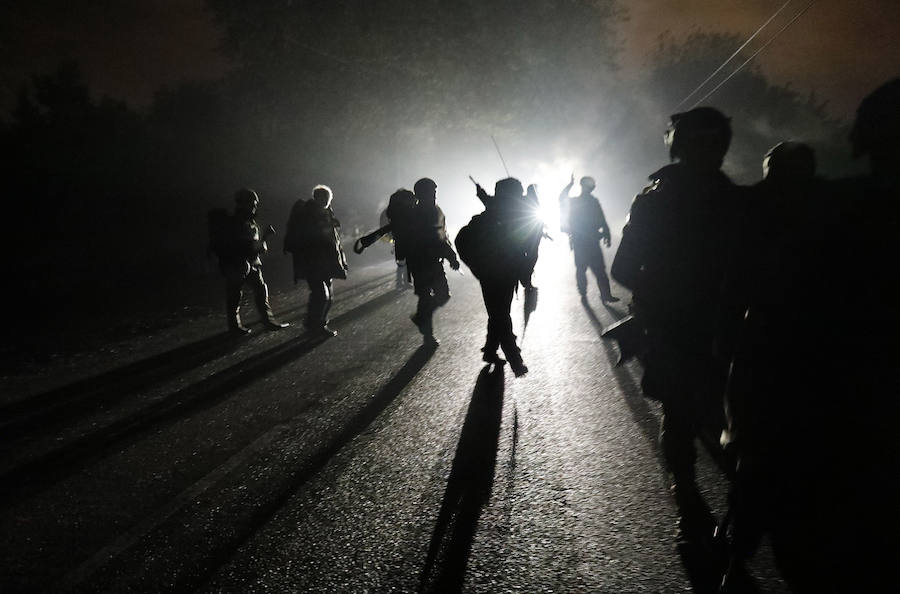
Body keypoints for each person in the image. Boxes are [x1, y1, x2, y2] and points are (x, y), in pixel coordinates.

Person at [611, 107, 742, 538]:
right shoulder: (736, 200)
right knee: (717, 414)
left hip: (683, 325)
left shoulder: (655, 199)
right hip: (721, 326)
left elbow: (625, 269)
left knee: (682, 415)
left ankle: (689, 498)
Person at [456, 177, 537, 377]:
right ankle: (515, 359)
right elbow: (530, 251)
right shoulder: (517, 215)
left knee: (498, 312)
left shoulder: (496, 213)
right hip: (497, 274)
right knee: (500, 314)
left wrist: (478, 268)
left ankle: (491, 350)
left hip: (497, 274)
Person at [218, 188, 290, 334]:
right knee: (237, 294)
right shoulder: (240, 222)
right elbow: (249, 247)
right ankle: (242, 326)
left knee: (255, 291)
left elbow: (253, 247)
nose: (255, 206)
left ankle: (256, 323)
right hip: (240, 263)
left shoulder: (247, 221)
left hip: (248, 263)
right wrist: (265, 236)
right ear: (245, 203)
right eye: (253, 203)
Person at [283, 185, 348, 337]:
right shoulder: (310, 215)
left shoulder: (325, 214)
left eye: (326, 198)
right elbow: (316, 239)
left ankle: (315, 323)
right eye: (322, 197)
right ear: (316, 198)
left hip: (324, 262)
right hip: (313, 262)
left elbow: (333, 241)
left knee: (328, 296)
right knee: (321, 294)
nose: (324, 200)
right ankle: (315, 326)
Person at [406, 178, 460, 346]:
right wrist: (451, 256)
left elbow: (443, 236)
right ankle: (427, 337)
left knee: (439, 296)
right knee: (427, 298)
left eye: (434, 192)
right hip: (422, 262)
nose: (434, 195)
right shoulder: (421, 214)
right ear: (421, 194)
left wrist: (450, 256)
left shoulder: (435, 211)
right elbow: (437, 239)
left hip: (429, 262)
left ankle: (422, 320)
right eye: (431, 192)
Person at [559, 174, 619, 304]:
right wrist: (606, 233)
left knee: (591, 269)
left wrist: (607, 233)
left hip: (586, 240)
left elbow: (602, 219)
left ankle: (597, 294)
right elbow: (561, 198)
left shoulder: (588, 201)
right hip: (584, 240)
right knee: (587, 269)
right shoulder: (581, 201)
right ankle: (592, 294)